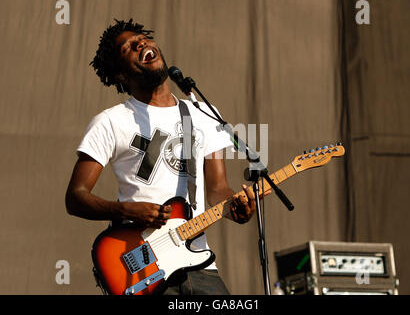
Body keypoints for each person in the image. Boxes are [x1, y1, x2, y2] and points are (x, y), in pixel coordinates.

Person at [65, 19, 265, 295]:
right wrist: (123, 210)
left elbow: (217, 189)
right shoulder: (110, 122)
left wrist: (237, 207)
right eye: (128, 48)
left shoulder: (204, 113)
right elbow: (76, 196)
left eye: (142, 38)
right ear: (121, 75)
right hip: (143, 264)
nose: (140, 43)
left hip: (198, 261)